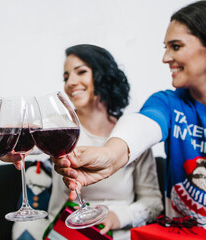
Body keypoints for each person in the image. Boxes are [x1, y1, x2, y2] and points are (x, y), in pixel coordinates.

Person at [52, 0, 206, 227]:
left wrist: (116, 219)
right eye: (165, 48)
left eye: (176, 46)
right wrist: (110, 156)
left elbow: (150, 203)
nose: (165, 58)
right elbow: (143, 124)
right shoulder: (168, 103)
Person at [47, 44, 163, 239]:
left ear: (104, 75)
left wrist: (117, 217)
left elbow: (152, 203)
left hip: (119, 234)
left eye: (81, 72)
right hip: (67, 232)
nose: (70, 83)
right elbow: (31, 137)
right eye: (66, 77)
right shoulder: (61, 128)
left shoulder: (132, 135)